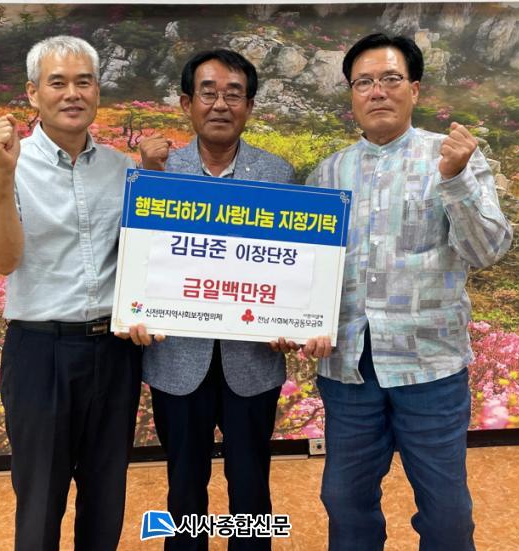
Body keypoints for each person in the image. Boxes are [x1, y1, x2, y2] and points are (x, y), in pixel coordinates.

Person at [306, 33, 513, 551]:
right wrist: (299, 320)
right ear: (352, 95)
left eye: (390, 79)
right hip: (349, 369)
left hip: (430, 367)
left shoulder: (454, 158)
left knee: (446, 513)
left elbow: (488, 250)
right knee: (344, 501)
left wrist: (456, 180)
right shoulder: (327, 173)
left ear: (414, 89)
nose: (377, 91)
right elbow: (308, 269)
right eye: (364, 82)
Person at [134, 49, 330, 550]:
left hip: (254, 362)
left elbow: (295, 267)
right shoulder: (158, 169)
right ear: (187, 103)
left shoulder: (278, 174)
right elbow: (136, 255)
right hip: (177, 359)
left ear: (249, 106)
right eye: (208, 93)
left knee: (251, 485)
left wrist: (294, 322)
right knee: (184, 487)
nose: (220, 104)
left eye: (234, 94)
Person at [0, 35, 141, 550]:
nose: (73, 93)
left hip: (114, 351)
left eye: (83, 82)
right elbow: (2, 259)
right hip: (39, 351)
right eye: (58, 82)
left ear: (97, 91)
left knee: (106, 495)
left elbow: (143, 258)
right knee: (40, 500)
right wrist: (6, 174)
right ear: (33, 93)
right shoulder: (1, 164)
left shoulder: (123, 168)